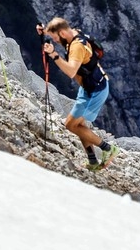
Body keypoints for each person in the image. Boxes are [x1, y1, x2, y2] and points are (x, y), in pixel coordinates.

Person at [41, 16, 118, 171]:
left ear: (62, 33)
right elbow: (58, 31)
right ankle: (93, 161)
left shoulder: (76, 47)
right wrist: (44, 31)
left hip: (97, 91)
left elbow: (70, 71)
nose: (55, 41)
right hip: (88, 88)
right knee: (74, 124)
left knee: (73, 125)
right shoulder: (74, 32)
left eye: (55, 38)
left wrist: (54, 55)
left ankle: (108, 149)